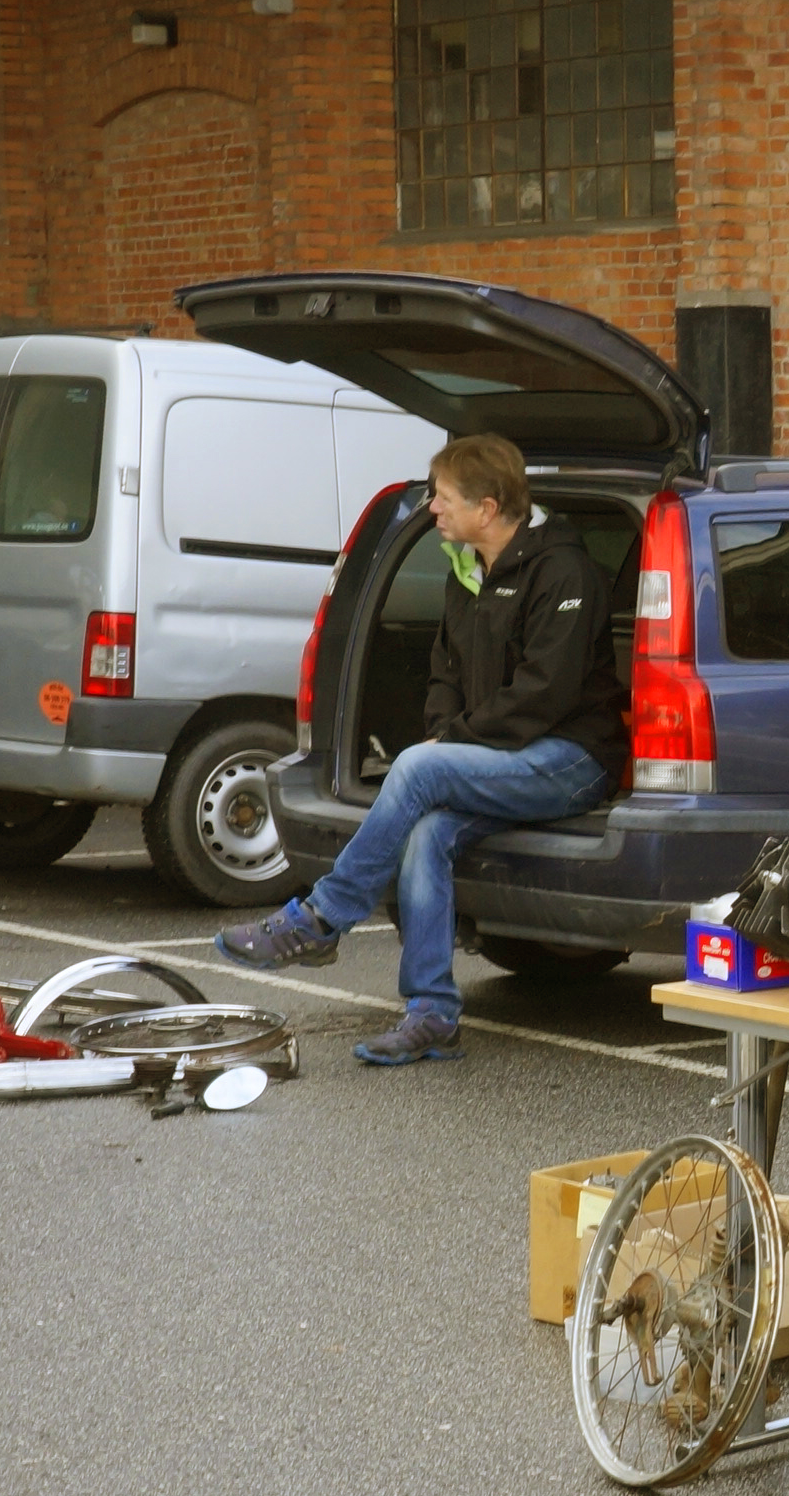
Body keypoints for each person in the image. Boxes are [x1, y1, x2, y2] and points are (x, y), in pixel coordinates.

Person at [214, 434, 618, 1065]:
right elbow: (445, 673)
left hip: (570, 760)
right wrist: (442, 729)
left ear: (487, 508)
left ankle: (321, 918)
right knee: (428, 831)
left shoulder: (565, 572)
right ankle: (432, 1013)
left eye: (444, 497)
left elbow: (544, 692)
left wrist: (450, 743)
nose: (432, 508)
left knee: (418, 768)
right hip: (500, 757)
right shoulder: (466, 571)